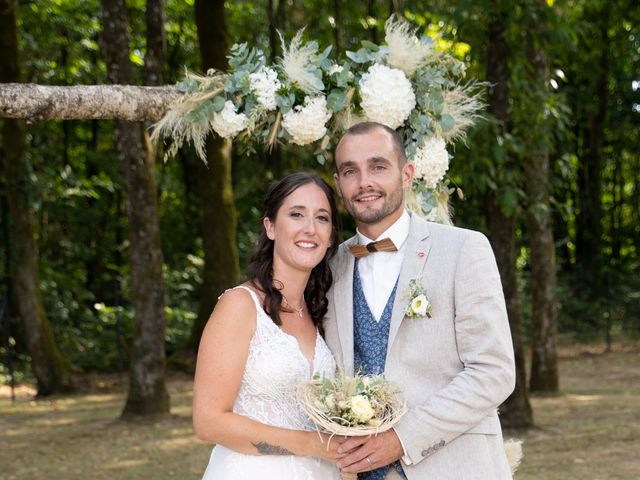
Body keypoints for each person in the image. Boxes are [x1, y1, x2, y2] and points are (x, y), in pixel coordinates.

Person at [323, 122, 516, 479]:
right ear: (339, 184)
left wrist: (401, 438)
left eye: (378, 167)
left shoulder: (463, 249)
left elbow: (494, 372)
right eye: (351, 171)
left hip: (454, 467)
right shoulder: (328, 267)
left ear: (407, 173)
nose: (364, 182)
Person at [193, 172, 347, 479]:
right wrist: (312, 444)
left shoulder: (320, 312)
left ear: (330, 236)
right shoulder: (239, 305)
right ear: (271, 227)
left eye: (322, 218)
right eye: (296, 214)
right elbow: (208, 421)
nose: (310, 228)